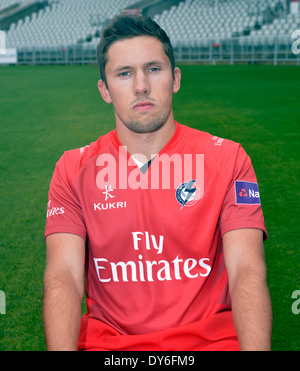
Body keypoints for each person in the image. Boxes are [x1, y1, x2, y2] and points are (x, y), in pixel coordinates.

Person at [43, 14, 272, 351]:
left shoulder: (229, 159)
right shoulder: (72, 168)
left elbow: (246, 271)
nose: (141, 86)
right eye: (124, 73)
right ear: (104, 90)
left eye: (153, 69)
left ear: (175, 78)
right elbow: (63, 277)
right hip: (112, 348)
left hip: (210, 343)